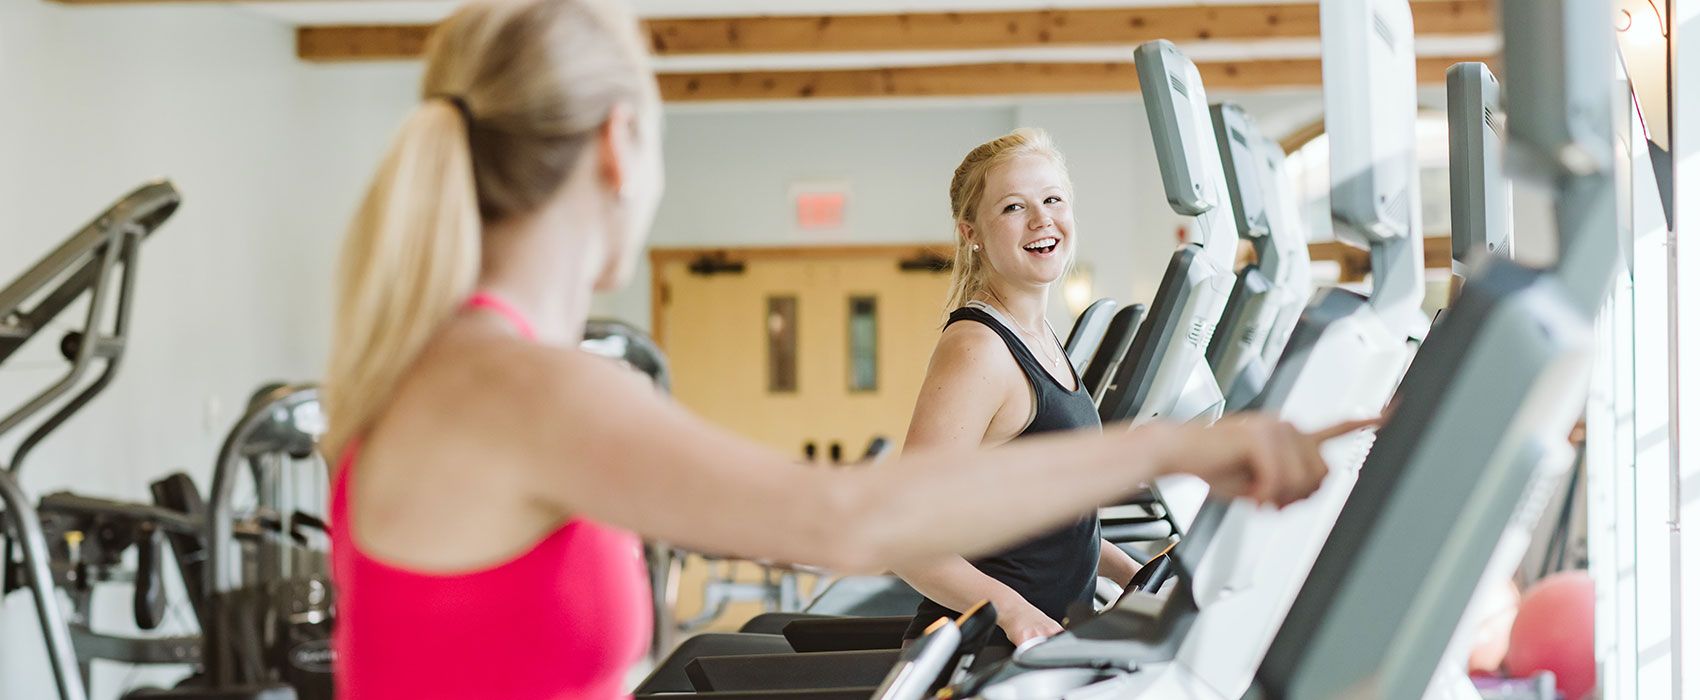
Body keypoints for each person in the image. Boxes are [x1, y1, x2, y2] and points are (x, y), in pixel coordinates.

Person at [321, 1, 1368, 698]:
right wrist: (1175, 452)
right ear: (617, 146)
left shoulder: (469, 369)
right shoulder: (519, 387)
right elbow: (839, 518)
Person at [894, 128, 1142, 650]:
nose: (1041, 219)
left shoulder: (1042, 337)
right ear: (971, 233)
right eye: (1013, 207)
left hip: (1035, 652)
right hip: (977, 659)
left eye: (1053, 199)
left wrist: (1126, 570)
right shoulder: (979, 346)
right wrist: (1015, 614)